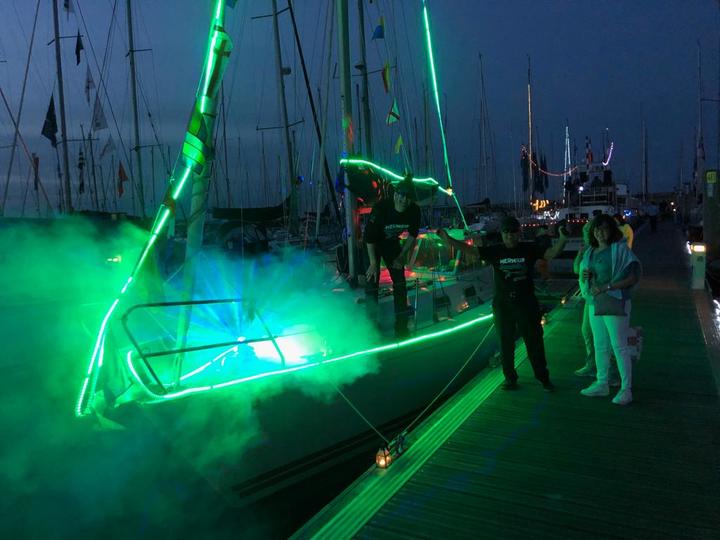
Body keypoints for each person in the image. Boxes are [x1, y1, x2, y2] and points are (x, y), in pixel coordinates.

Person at [439, 216, 567, 391]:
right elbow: (470, 250)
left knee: (534, 342)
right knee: (505, 344)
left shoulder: (529, 248)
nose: (509, 236)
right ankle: (510, 379)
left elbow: (552, 253)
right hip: (503, 305)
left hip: (526, 304)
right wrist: (449, 240)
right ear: (501, 234)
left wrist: (563, 238)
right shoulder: (495, 251)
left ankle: (543, 379)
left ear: (518, 233)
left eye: (513, 232)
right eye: (506, 232)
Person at [578, 214, 641, 405]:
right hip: (595, 302)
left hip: (615, 301)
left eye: (604, 228)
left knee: (619, 346)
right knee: (600, 344)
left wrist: (608, 287)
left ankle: (626, 389)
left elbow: (632, 277)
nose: (600, 232)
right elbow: (586, 274)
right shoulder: (590, 251)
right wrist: (586, 276)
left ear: (611, 230)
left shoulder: (620, 249)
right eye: (596, 229)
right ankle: (602, 383)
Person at [364, 176, 421, 339]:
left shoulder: (414, 210)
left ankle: (401, 325)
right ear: (395, 195)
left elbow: (413, 234)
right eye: (401, 195)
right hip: (373, 243)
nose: (404, 200)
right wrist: (373, 263)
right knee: (372, 279)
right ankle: (370, 326)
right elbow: (369, 237)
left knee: (399, 281)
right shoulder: (381, 208)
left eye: (408, 197)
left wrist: (401, 256)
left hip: (391, 243)